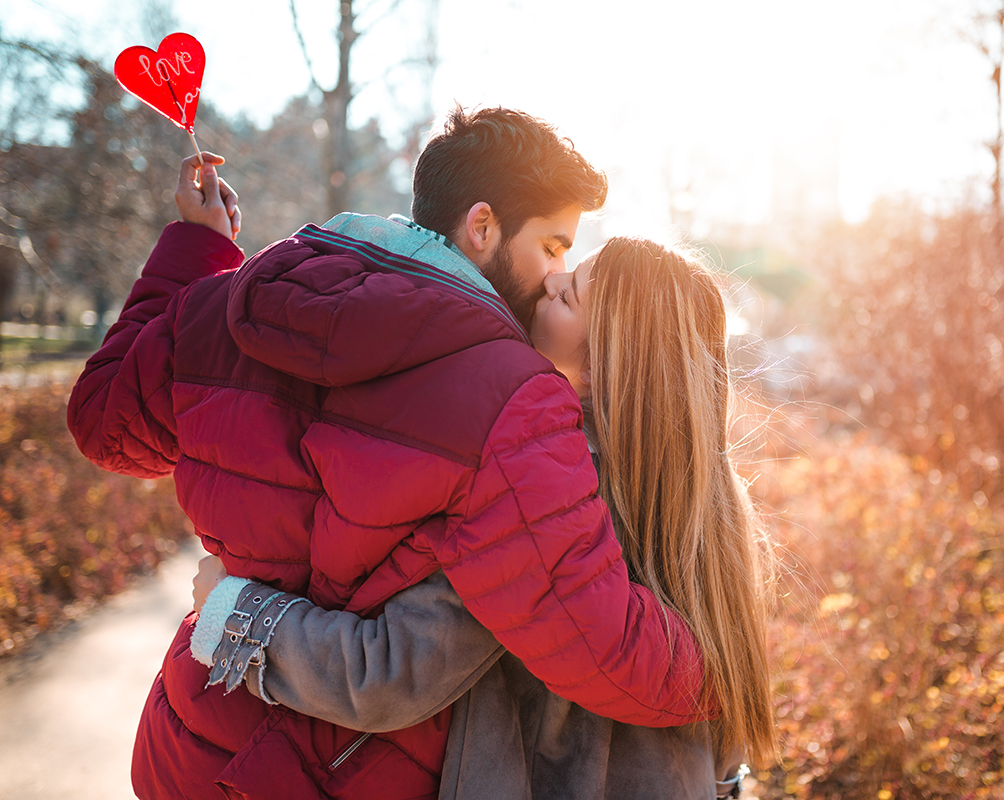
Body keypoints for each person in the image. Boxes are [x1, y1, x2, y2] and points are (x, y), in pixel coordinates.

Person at [67, 106, 716, 800]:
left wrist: (197, 253)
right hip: (349, 772)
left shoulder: (225, 305)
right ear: (484, 225)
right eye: (553, 246)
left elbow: (103, 421)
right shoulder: (512, 398)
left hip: (191, 740)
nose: (555, 275)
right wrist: (722, 669)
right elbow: (605, 650)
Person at [189, 236, 778, 799]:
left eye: (569, 294)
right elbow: (726, 749)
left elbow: (392, 671)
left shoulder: (539, 487)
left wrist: (234, 611)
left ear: (607, 368)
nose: (550, 279)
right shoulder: (714, 510)